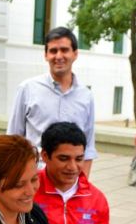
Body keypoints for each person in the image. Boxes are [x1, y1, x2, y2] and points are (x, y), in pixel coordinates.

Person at [8, 27, 96, 176]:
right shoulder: (27, 89)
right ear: (46, 55)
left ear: (75, 54)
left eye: (64, 50)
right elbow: (13, 139)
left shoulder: (86, 96)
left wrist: (83, 185)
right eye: (53, 51)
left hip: (70, 181)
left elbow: (88, 146)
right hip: (34, 179)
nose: (59, 56)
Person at [34, 122, 116, 224]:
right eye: (63, 158)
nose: (72, 167)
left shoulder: (96, 198)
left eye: (79, 159)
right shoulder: (29, 190)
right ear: (45, 156)